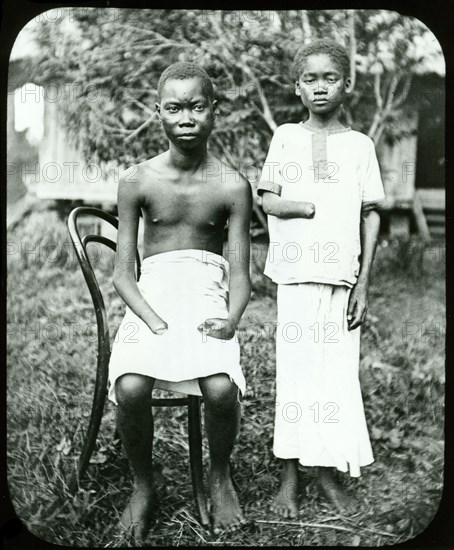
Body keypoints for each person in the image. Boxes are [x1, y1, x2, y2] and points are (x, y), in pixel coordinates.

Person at [108, 62, 252, 540]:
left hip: (207, 294)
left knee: (219, 388)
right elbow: (124, 275)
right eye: (174, 107)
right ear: (158, 113)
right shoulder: (138, 180)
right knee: (130, 387)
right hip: (152, 299)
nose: (186, 116)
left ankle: (219, 474)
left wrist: (230, 320)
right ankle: (144, 484)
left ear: (214, 111)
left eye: (196, 106)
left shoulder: (232, 186)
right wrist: (151, 319)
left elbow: (240, 277)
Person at [257, 39, 386, 518]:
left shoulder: (360, 146)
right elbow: (267, 198)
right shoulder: (286, 137)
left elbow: (371, 214)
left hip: (341, 279)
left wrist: (364, 283)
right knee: (296, 374)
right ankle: (290, 477)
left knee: (334, 375)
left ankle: (326, 472)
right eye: (309, 79)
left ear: (346, 85)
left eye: (329, 78)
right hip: (295, 275)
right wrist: (305, 206)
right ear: (297, 86)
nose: (319, 87)